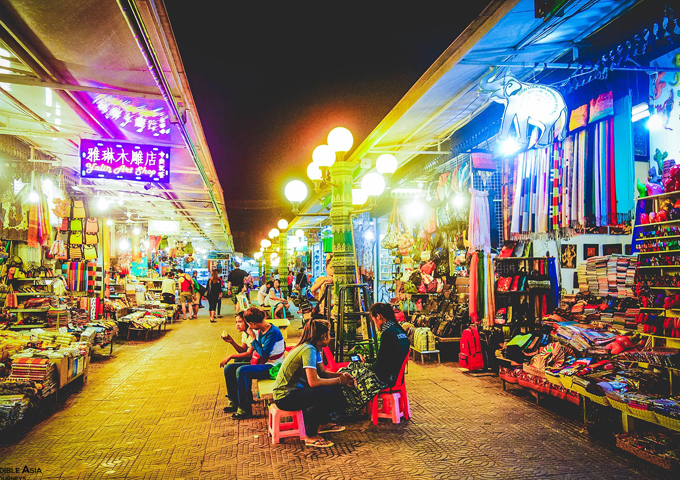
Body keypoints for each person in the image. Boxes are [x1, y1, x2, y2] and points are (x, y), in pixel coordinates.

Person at [273, 319, 355, 448]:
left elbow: (322, 373)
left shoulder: (314, 348)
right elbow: (314, 382)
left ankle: (322, 423)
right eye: (329, 333)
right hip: (284, 397)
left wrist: (342, 376)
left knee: (333, 387)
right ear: (323, 335)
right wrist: (339, 380)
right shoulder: (308, 349)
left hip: (296, 392)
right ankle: (310, 435)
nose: (330, 336)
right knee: (323, 392)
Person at [337, 302, 410, 415]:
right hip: (395, 376)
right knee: (355, 366)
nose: (374, 323)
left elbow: (380, 366)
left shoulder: (387, 334)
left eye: (373, 319)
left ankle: (345, 410)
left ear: (379, 316)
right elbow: (386, 358)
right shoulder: (399, 330)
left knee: (346, 373)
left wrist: (366, 365)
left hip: (384, 378)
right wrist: (367, 362)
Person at [225, 308, 285, 419]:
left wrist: (253, 338)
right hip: (263, 362)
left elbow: (264, 354)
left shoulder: (272, 332)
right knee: (229, 368)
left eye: (249, 324)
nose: (249, 327)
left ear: (252, 323)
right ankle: (234, 401)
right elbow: (253, 351)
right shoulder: (260, 331)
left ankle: (244, 408)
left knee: (242, 371)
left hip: (273, 366)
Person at [220, 312, 255, 399]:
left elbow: (249, 353)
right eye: (236, 322)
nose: (237, 325)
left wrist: (230, 356)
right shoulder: (244, 333)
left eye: (240, 322)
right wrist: (232, 342)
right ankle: (237, 394)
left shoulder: (252, 333)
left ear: (247, 322)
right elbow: (242, 350)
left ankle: (237, 397)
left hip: (258, 361)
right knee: (237, 361)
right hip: (252, 358)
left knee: (230, 368)